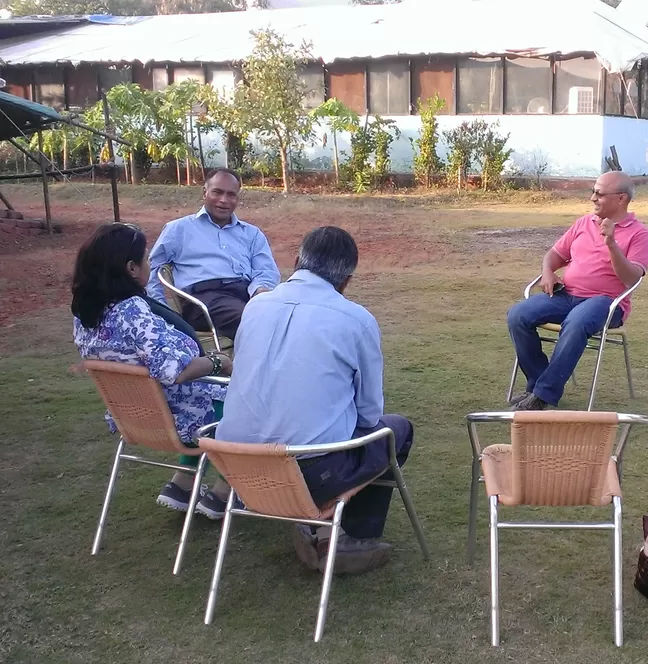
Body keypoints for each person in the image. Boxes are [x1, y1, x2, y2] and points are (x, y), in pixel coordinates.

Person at [216, 226, 413, 575]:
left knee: (323, 431)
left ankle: (322, 531)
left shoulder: (254, 307)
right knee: (395, 430)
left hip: (236, 465)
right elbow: (369, 415)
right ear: (347, 280)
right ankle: (345, 539)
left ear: (296, 262)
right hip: (305, 472)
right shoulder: (356, 320)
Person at [72, 223, 234, 518]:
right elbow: (175, 371)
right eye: (146, 259)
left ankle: (182, 484)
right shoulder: (132, 310)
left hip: (136, 415)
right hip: (179, 414)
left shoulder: (86, 313)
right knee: (255, 398)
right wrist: (218, 362)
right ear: (131, 268)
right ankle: (224, 491)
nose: (149, 264)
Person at [506, 171, 648, 410]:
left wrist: (612, 244)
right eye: (593, 191)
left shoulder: (639, 234)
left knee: (576, 322)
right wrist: (547, 272)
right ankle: (539, 383)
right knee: (518, 315)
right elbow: (554, 255)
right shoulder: (583, 223)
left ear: (621, 199)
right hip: (567, 295)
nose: (592, 198)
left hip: (605, 303)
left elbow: (630, 278)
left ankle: (542, 396)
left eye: (599, 193)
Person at [146, 168, 281, 341]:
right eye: (217, 192)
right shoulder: (179, 229)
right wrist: (162, 310)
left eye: (231, 194)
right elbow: (153, 268)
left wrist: (260, 293)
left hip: (246, 296)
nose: (224, 200)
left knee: (287, 316)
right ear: (205, 192)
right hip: (203, 300)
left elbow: (266, 271)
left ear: (237, 198)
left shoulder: (252, 234)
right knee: (258, 321)